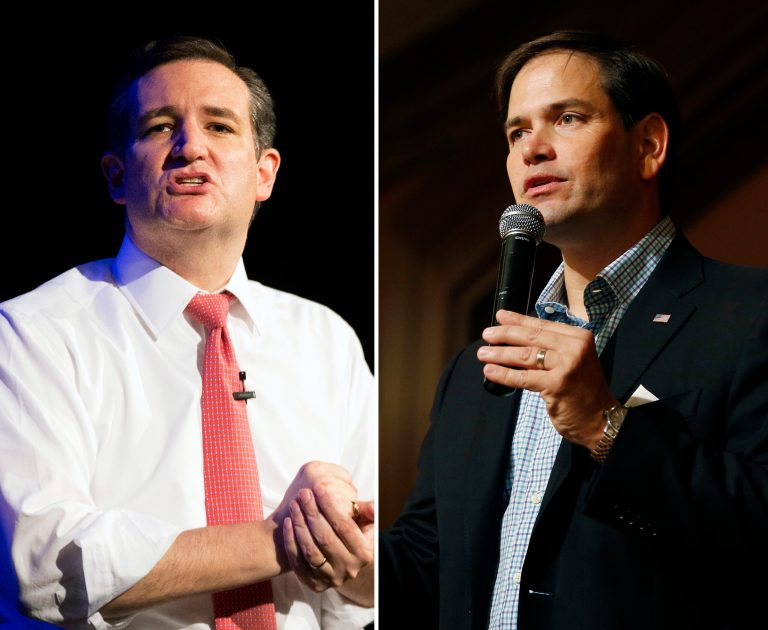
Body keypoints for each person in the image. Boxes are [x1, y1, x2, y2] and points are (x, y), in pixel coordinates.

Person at [378, 31, 768, 629]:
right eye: (516, 132)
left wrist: (604, 425)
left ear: (649, 145)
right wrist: (345, 553)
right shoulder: (474, 369)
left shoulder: (749, 315)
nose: (532, 148)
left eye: (567, 118)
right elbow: (432, 561)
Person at [0, 36, 374, 629]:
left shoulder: (327, 341)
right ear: (116, 175)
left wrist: (354, 549)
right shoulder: (33, 332)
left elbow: (381, 567)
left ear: (263, 173)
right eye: (159, 127)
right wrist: (284, 539)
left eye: (220, 127)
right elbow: (44, 565)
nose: (190, 146)